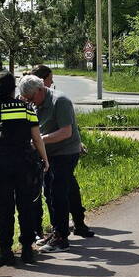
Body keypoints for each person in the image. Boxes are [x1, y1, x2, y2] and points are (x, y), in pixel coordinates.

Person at [0, 71, 49, 266]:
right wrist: (44, 159)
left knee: (5, 209)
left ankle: (6, 251)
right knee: (26, 207)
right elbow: (36, 138)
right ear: (14, 88)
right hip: (25, 163)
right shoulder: (26, 108)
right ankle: (27, 250)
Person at [19, 74, 94, 253]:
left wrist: (39, 140)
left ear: (40, 90)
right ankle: (71, 227)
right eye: (26, 99)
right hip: (48, 154)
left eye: (31, 98)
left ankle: (61, 238)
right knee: (60, 190)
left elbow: (66, 132)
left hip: (66, 152)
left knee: (57, 191)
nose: (30, 102)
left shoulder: (60, 101)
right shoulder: (36, 101)